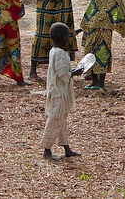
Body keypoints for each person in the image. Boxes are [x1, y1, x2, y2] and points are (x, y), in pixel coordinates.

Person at [40, 22, 83, 159]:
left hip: (59, 92)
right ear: (64, 37)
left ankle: (66, 148)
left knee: (61, 121)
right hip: (58, 93)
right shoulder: (59, 53)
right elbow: (62, 74)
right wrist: (74, 73)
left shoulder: (54, 51)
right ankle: (46, 150)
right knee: (55, 120)